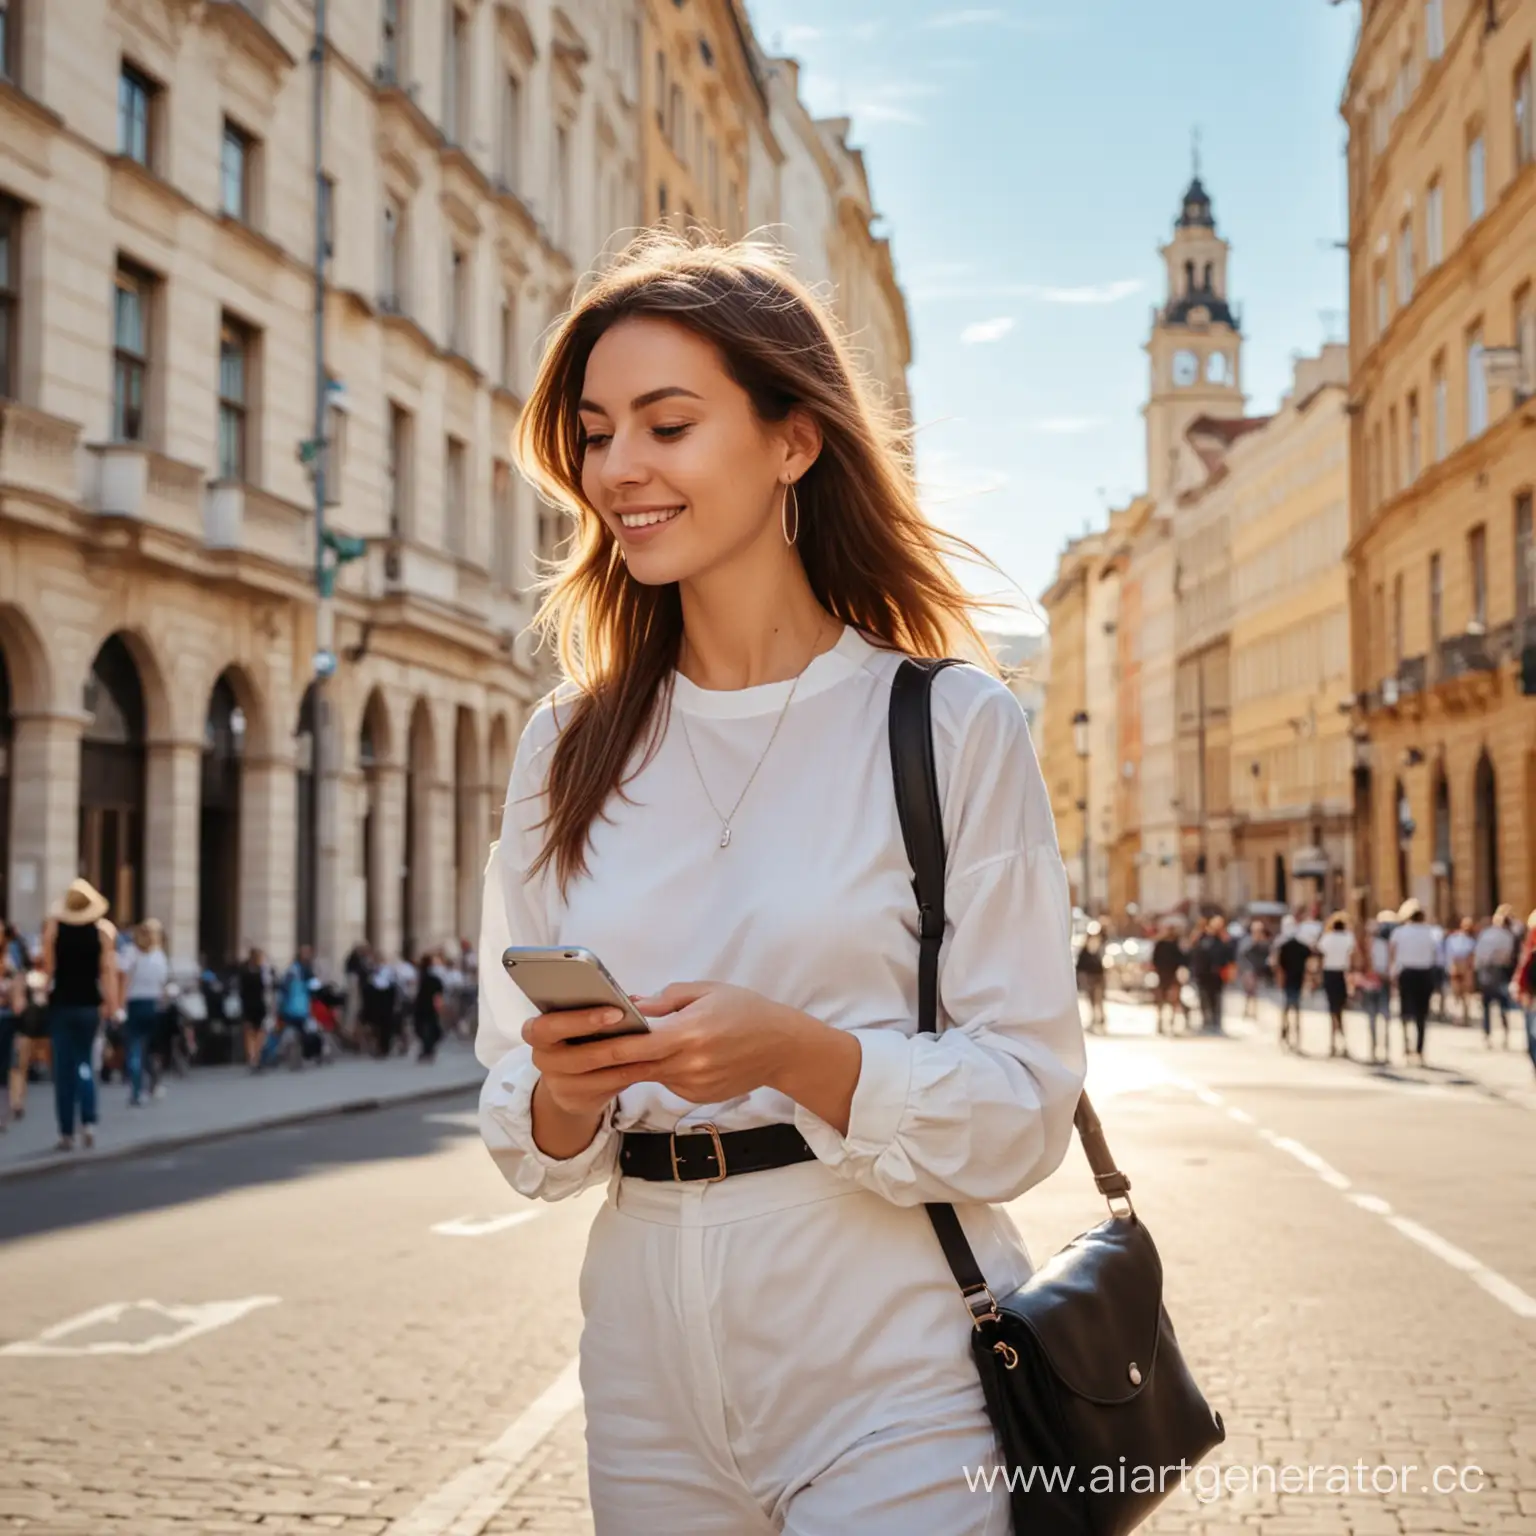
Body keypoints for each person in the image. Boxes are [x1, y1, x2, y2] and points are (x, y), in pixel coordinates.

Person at [474, 235, 1086, 1533]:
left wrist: (804, 1054)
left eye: (668, 423)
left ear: (793, 441)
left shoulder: (950, 723)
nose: (619, 468)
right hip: (644, 1377)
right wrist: (566, 1096)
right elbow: (513, 1111)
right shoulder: (565, 746)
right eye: (594, 433)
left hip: (894, 1361)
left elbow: (1028, 1104)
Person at [42, 879, 116, 1151]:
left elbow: (48, 969)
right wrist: (113, 1005)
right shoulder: (103, 932)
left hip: (61, 1005)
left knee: (63, 1070)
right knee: (85, 1063)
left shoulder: (54, 930)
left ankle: (65, 1133)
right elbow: (107, 971)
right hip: (89, 1006)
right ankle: (89, 1123)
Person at [119, 919, 170, 1106]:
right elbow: (163, 983)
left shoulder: (130, 953)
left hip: (134, 1003)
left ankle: (136, 1090)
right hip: (153, 1004)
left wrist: (120, 1005)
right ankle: (154, 1083)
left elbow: (124, 980)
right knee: (148, 1047)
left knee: (134, 1046)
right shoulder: (159, 956)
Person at [1390, 900, 1439, 1065]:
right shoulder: (1430, 933)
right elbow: (1436, 954)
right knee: (1421, 1014)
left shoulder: (1400, 932)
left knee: (1405, 1011)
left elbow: (1393, 954)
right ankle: (1419, 1049)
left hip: (1407, 973)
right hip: (1425, 973)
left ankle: (1406, 1045)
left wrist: (1393, 974)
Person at [1473, 906, 1517, 1047]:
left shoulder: (1487, 934)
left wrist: (1477, 969)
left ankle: (1487, 1034)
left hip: (1487, 971)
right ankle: (1505, 1033)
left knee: (1487, 1005)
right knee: (1503, 1004)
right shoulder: (1508, 936)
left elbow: (1480, 954)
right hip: (1501, 971)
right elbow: (1509, 956)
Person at [1316, 912, 1357, 1060]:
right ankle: (1340, 1039)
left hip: (1329, 973)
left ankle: (1334, 1041)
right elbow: (1352, 954)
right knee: (1340, 1008)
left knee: (1333, 1008)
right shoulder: (1348, 937)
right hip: (1342, 972)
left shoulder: (1327, 938)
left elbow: (1321, 953)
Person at [1358, 914, 1395, 1064]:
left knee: (1375, 1018)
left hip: (1375, 982)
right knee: (1381, 1018)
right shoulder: (1382, 945)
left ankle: (1376, 1051)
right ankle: (1381, 1051)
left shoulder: (1369, 946)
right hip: (1378, 982)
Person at [1273, 915, 1312, 1053]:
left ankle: (1286, 1032)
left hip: (1289, 980)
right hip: (1296, 980)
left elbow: (1277, 964)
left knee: (1288, 1007)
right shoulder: (1301, 945)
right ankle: (1292, 1033)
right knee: (1295, 1008)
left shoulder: (1283, 945)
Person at [1189, 917, 1233, 1034]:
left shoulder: (1222, 940)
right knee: (1204, 998)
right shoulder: (1201, 939)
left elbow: (1229, 955)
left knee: (1216, 999)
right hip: (1203, 974)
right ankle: (1206, 1021)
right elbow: (1193, 953)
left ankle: (1216, 1021)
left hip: (1216, 976)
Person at [237, 948, 272, 1068]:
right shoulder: (262, 972)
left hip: (247, 1004)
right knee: (260, 1030)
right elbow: (267, 986)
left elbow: (240, 988)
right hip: (258, 1004)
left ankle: (251, 1055)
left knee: (249, 1030)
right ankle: (256, 1055)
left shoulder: (244, 970)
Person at [1150, 924, 1185, 1035]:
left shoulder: (1175, 945)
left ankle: (1172, 1022)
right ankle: (1160, 1022)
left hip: (1172, 975)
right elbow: (1154, 960)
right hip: (1161, 975)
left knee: (1173, 1000)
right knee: (1160, 1000)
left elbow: (1182, 959)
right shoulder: (1160, 944)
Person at [1513, 912, 1536, 1078]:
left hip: (1532, 996)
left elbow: (1523, 967)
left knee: (1533, 1035)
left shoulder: (1531, 947)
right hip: (1531, 994)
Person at [1074, 922, 1107, 1033]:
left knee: (1099, 1000)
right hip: (1090, 978)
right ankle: (1095, 1020)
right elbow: (1080, 966)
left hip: (1098, 977)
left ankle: (1101, 1021)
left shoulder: (1100, 949)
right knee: (1092, 1000)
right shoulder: (1085, 951)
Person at [414, 949, 446, 1062]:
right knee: (430, 1029)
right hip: (427, 1006)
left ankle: (427, 1050)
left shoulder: (424, 975)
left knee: (427, 1029)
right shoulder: (428, 975)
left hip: (423, 1006)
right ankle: (428, 1050)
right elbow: (438, 993)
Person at [1444, 917, 1477, 1025]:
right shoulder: (1454, 939)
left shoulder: (1471, 941)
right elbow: (1449, 954)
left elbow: (1472, 956)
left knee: (1466, 995)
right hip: (1456, 966)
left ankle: (1465, 1016)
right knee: (1456, 993)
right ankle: (1457, 1017)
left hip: (1466, 967)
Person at [1238, 920, 1270, 1020]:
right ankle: (1247, 1009)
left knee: (1254, 991)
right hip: (1247, 969)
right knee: (1248, 991)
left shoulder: (1263, 942)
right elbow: (1242, 952)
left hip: (1257, 970)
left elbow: (1265, 954)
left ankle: (1253, 1011)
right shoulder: (1247, 940)